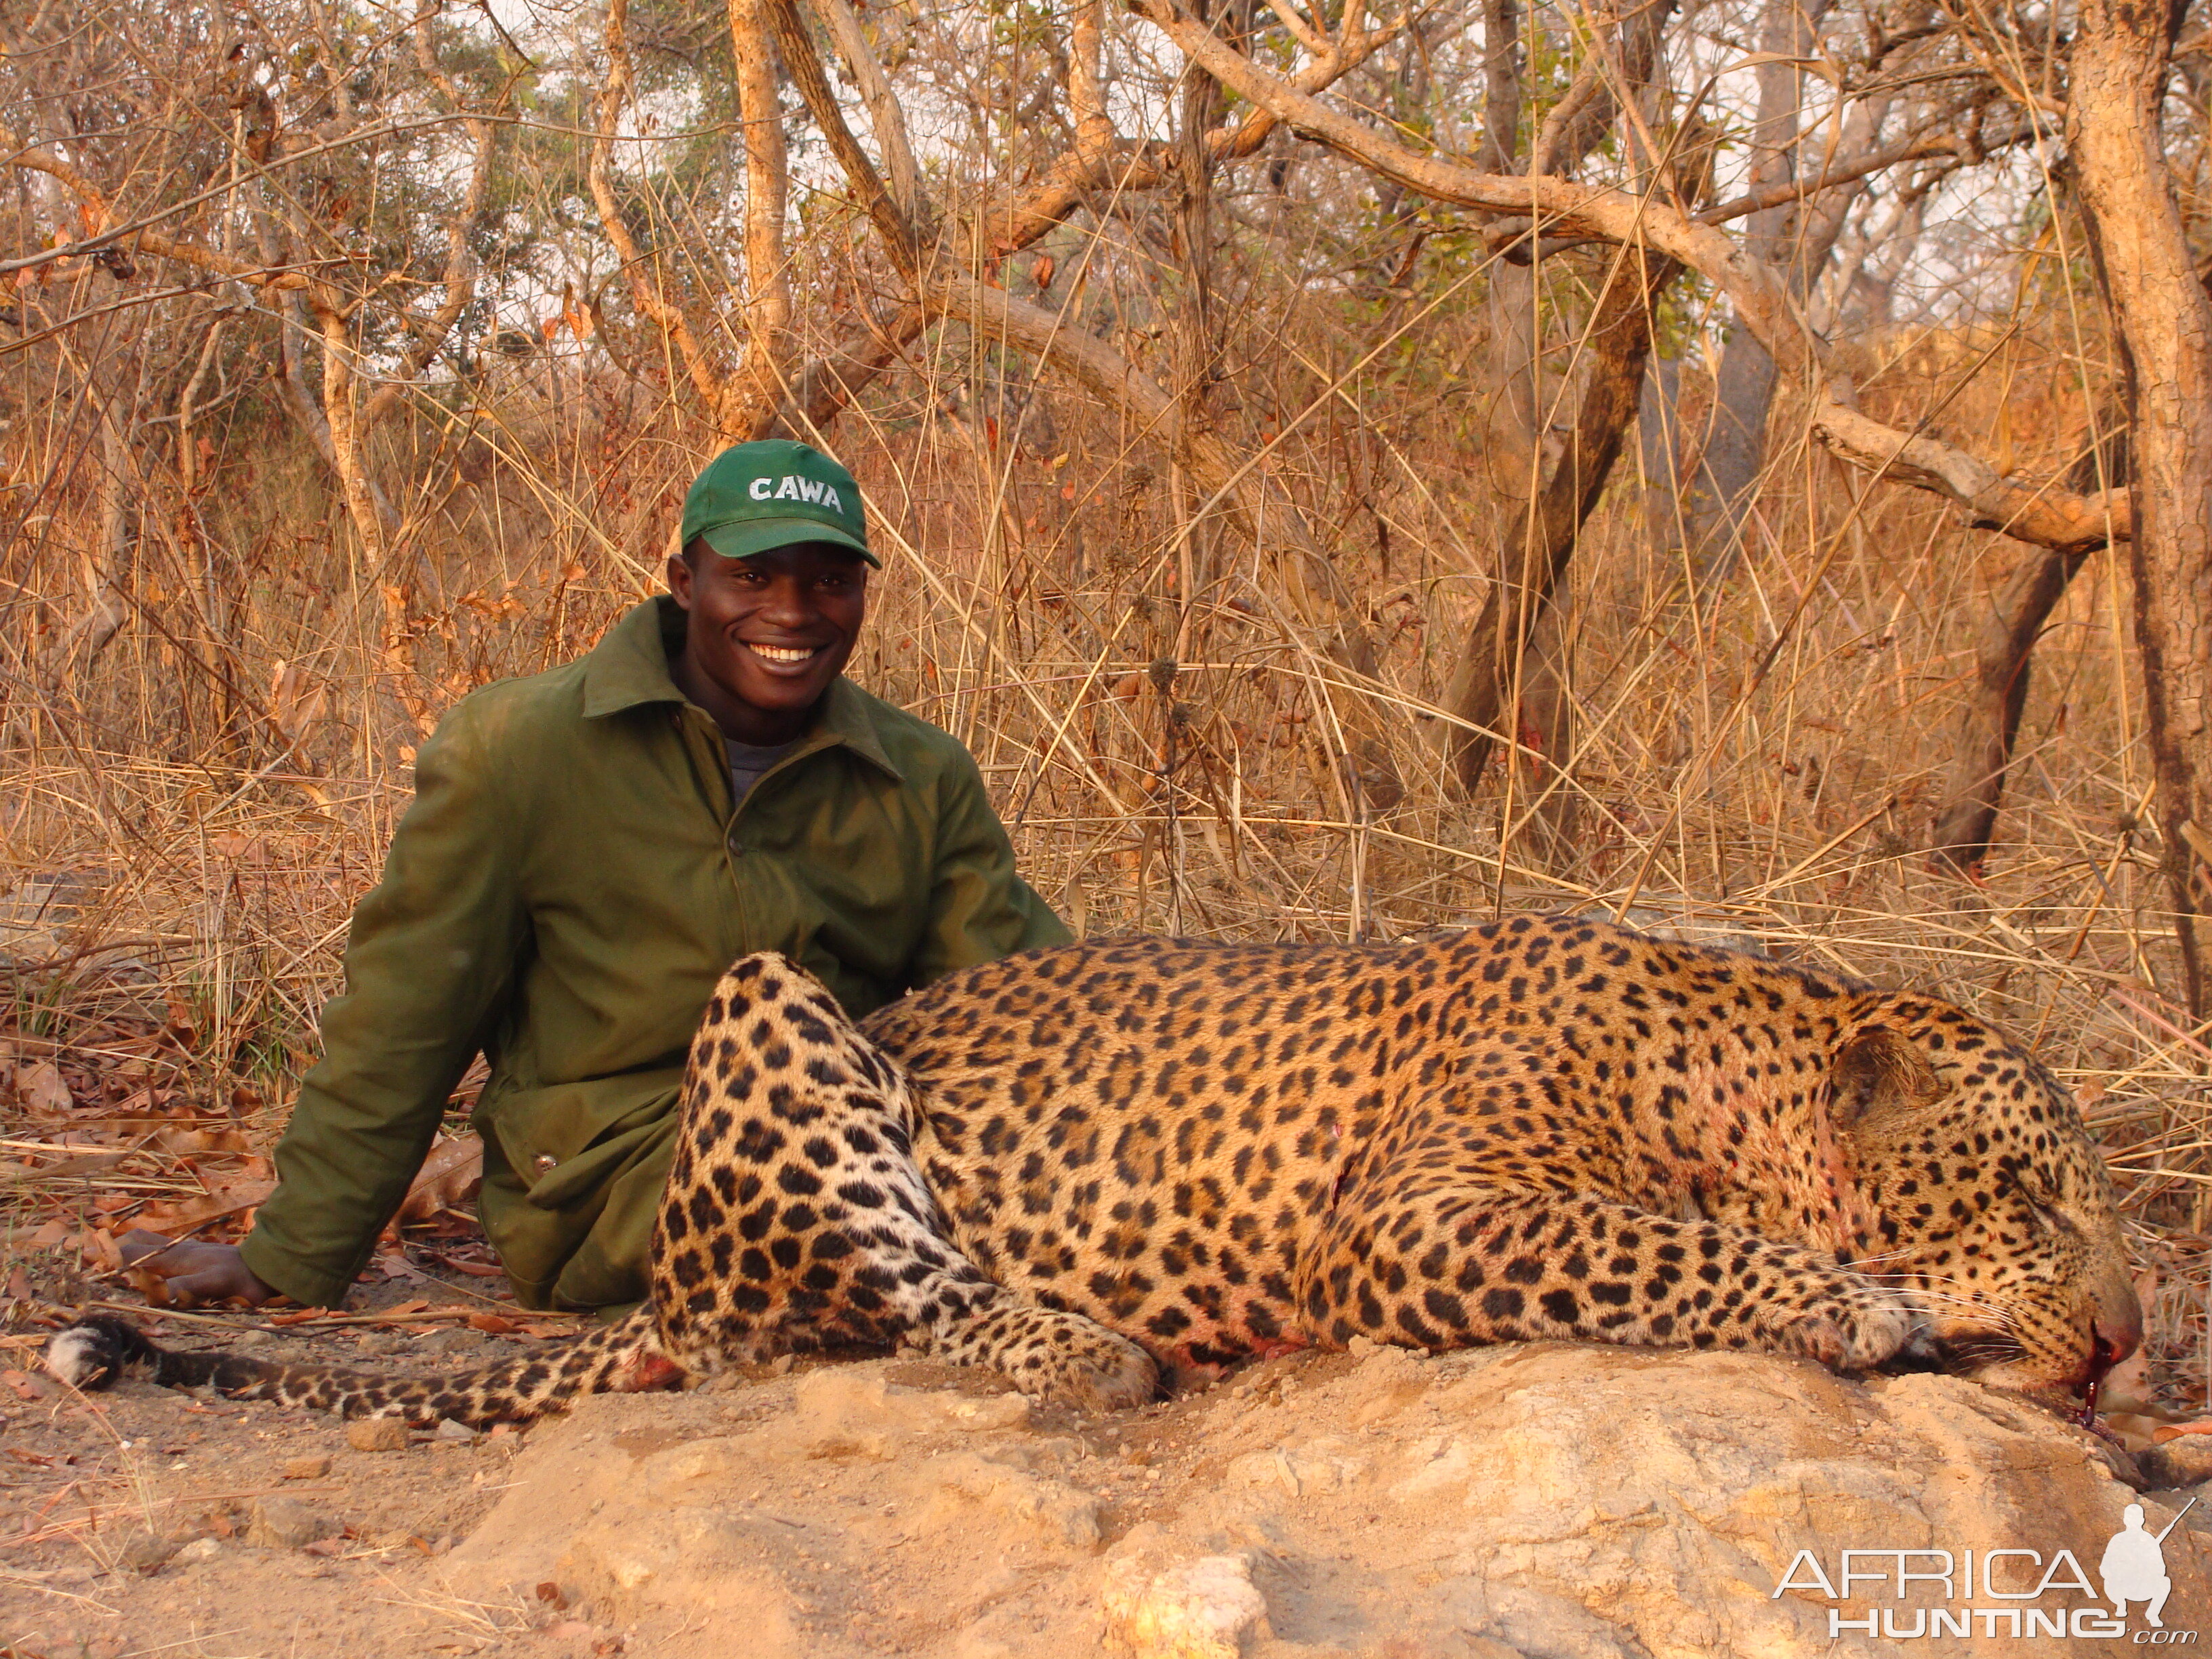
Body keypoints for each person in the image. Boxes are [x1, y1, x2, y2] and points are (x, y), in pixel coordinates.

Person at [124, 441, 1069, 1313]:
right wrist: (293, 1255)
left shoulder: (921, 771)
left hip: (856, 1145)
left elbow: (1027, 1002)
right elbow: (406, 1016)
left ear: (862, 594)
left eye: (828, 582)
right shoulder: (521, 747)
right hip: (604, 1180)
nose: (791, 613)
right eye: (750, 577)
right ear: (683, 582)